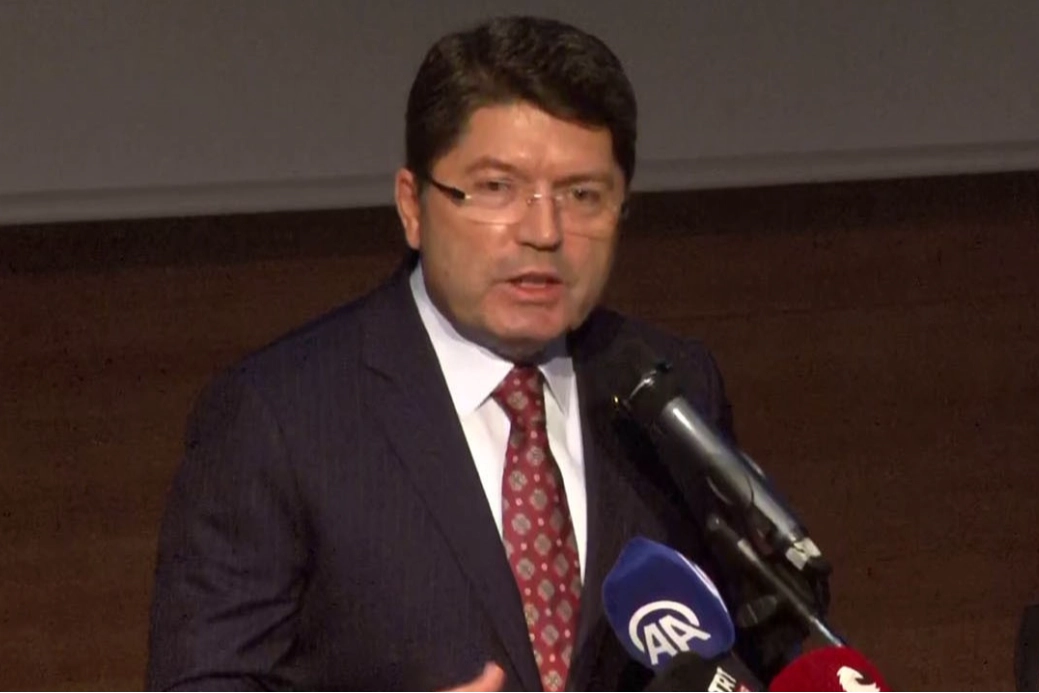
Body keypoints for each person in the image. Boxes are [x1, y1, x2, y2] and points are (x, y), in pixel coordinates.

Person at [146, 15, 806, 693]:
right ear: (412, 206)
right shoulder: (279, 416)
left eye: (582, 195)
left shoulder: (668, 385)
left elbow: (754, 646)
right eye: (496, 188)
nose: (544, 231)